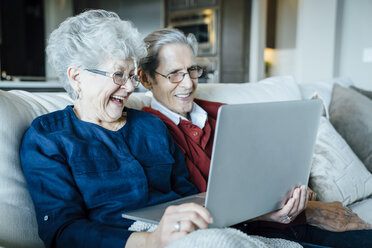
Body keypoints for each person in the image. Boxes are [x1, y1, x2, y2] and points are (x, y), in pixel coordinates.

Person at [138, 28, 372, 247]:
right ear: (147, 79)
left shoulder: (223, 113)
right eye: (174, 74)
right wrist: (307, 211)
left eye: (192, 70)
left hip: (290, 221)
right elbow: (192, 206)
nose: (188, 83)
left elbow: (266, 165)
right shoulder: (151, 132)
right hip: (257, 231)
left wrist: (300, 193)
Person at [20, 10, 214, 248]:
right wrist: (151, 241)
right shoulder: (48, 138)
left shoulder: (152, 126)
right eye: (119, 75)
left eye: (132, 76)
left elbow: (188, 195)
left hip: (191, 237)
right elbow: (63, 230)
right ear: (76, 77)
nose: (130, 87)